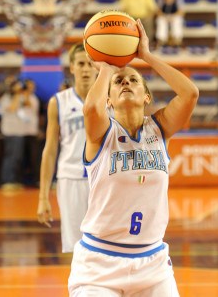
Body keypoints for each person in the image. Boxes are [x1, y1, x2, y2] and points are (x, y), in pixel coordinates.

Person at [68, 19, 199, 296]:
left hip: (152, 264)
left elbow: (190, 94)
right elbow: (91, 108)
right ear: (108, 100)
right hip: (99, 264)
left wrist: (147, 56)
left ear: (147, 97)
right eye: (119, 82)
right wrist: (106, 68)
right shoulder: (102, 133)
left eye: (133, 79)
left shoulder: (159, 128)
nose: (126, 81)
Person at [37, 43, 97, 253]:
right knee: (76, 247)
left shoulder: (111, 99)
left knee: (107, 243)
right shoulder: (58, 102)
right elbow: (50, 149)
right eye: (80, 64)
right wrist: (43, 197)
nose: (86, 69)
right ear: (71, 67)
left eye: (90, 64)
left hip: (103, 179)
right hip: (70, 178)